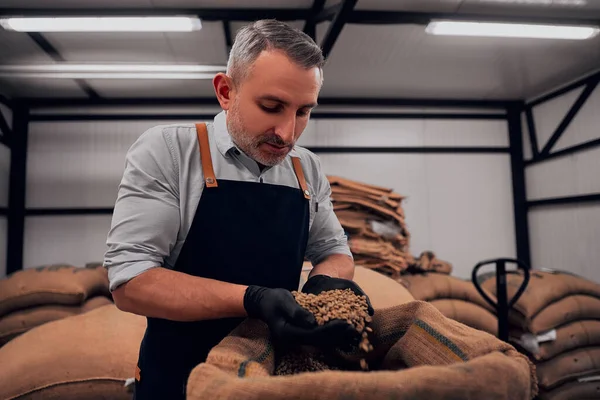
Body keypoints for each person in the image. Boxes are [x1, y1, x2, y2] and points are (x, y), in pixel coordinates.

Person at [103, 19, 373, 400]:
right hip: (181, 378)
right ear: (226, 91)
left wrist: (323, 286)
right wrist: (254, 300)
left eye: (303, 112)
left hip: (270, 378)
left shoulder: (304, 167)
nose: (288, 133)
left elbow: (334, 250)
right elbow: (130, 281)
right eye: (272, 106)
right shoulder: (170, 152)